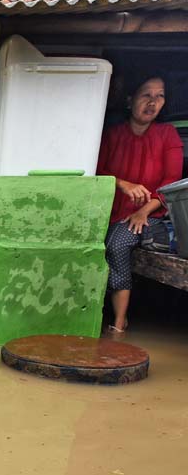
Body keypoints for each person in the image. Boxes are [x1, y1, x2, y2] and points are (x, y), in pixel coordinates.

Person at [97, 76, 183, 333]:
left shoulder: (167, 134)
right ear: (129, 100)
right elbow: (97, 171)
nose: (153, 102)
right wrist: (123, 184)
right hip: (112, 214)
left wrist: (143, 211)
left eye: (160, 96)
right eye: (146, 94)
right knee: (107, 243)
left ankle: (119, 323)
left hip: (151, 215)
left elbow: (171, 183)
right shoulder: (112, 136)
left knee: (118, 244)